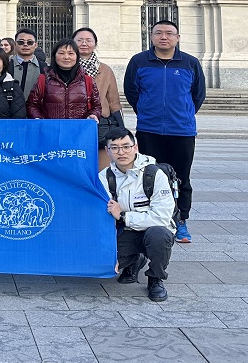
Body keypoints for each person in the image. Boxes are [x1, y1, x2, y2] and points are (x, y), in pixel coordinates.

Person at [123, 20, 205, 244]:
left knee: (181, 177)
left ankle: (180, 220)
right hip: (149, 130)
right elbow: (131, 92)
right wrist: (146, 110)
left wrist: (183, 113)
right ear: (151, 36)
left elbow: (198, 95)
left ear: (177, 38)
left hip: (182, 131)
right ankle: (151, 219)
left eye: (169, 33)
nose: (163, 37)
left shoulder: (190, 63)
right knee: (149, 176)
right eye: (158, 33)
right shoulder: (139, 61)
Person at [100, 127, 176, 302]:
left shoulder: (154, 174)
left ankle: (156, 278)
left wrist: (124, 216)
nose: (121, 152)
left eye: (126, 146)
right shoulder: (104, 177)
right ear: (107, 151)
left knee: (159, 235)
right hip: (125, 232)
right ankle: (134, 260)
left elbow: (162, 217)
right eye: (115, 148)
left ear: (135, 147)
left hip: (153, 229)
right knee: (103, 261)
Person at [74, 27, 124, 170]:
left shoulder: (105, 70)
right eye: (79, 40)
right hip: (74, 123)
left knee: (102, 169)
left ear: (95, 44)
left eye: (88, 40)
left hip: (101, 124)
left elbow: (114, 101)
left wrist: (121, 128)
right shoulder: (66, 68)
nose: (84, 43)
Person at [27, 40, 102, 122]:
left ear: (77, 56)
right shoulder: (44, 79)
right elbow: (32, 105)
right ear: (54, 56)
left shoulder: (87, 80)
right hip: (50, 128)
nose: (66, 57)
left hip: (79, 129)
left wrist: (93, 115)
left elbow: (96, 106)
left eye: (71, 53)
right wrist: (38, 119)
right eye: (61, 53)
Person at [11, 28, 45, 102]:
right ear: (15, 44)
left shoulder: (44, 68)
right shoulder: (6, 66)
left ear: (36, 45)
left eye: (30, 42)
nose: (25, 45)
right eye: (21, 42)